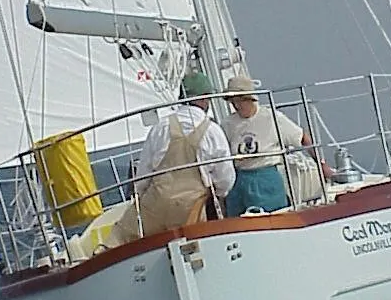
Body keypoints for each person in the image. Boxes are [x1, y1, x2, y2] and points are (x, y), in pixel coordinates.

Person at [106, 72, 235, 246]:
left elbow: (143, 174)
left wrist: (140, 197)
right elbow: (226, 181)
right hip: (190, 209)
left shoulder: (161, 127)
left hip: (157, 204)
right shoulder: (213, 131)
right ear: (205, 99)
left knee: (120, 237)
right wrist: (217, 195)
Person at [222, 74, 330, 216]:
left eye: (240, 100)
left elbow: (302, 138)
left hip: (265, 175)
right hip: (239, 178)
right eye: (233, 101)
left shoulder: (272, 117)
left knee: (273, 215)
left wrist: (321, 164)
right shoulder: (228, 124)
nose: (237, 105)